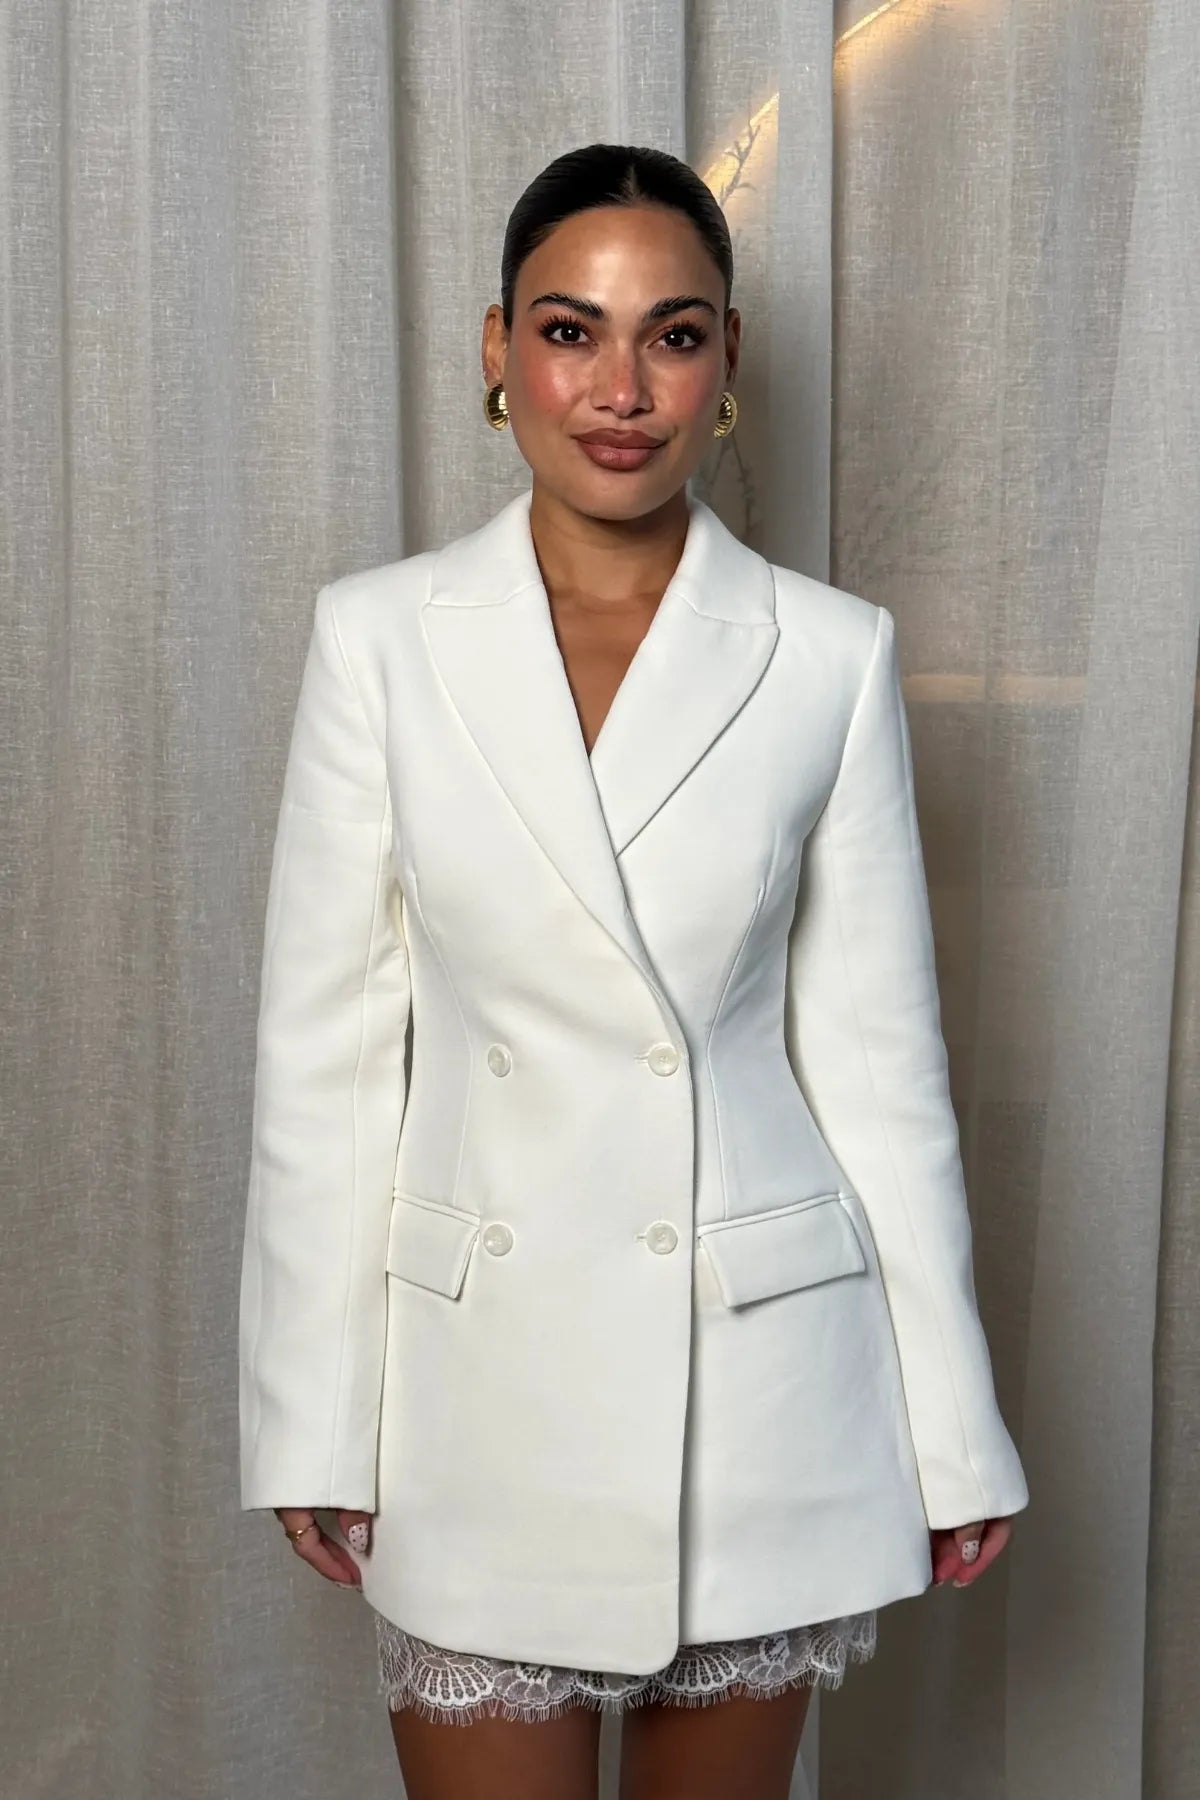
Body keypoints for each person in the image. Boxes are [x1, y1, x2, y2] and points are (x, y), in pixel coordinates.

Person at [238, 143, 1029, 1800]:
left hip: (757, 1388)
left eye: (672, 335)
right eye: (568, 330)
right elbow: (326, 1066)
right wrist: (309, 1412)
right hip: (476, 1391)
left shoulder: (829, 654)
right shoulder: (379, 639)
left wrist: (955, 1430)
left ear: (727, 360)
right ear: (496, 350)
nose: (620, 389)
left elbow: (880, 1070)